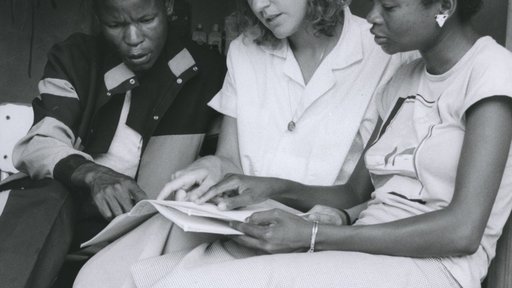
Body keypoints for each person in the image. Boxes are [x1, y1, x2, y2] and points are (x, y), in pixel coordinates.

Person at [81, 0, 512, 286]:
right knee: (159, 274)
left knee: (193, 283)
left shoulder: (491, 71)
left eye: (390, 4)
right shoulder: (404, 78)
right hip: (365, 240)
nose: (374, 15)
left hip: (433, 266)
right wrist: (270, 186)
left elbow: (461, 231)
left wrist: (313, 235)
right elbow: (353, 194)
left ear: (444, 6)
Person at [0, 0, 225, 287]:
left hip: (149, 234)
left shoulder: (207, 71)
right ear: (97, 18)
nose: (133, 39)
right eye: (115, 25)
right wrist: (93, 174)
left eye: (146, 20)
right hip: (62, 227)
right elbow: (39, 143)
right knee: (47, 197)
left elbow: (220, 166)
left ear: (168, 6)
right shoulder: (76, 58)